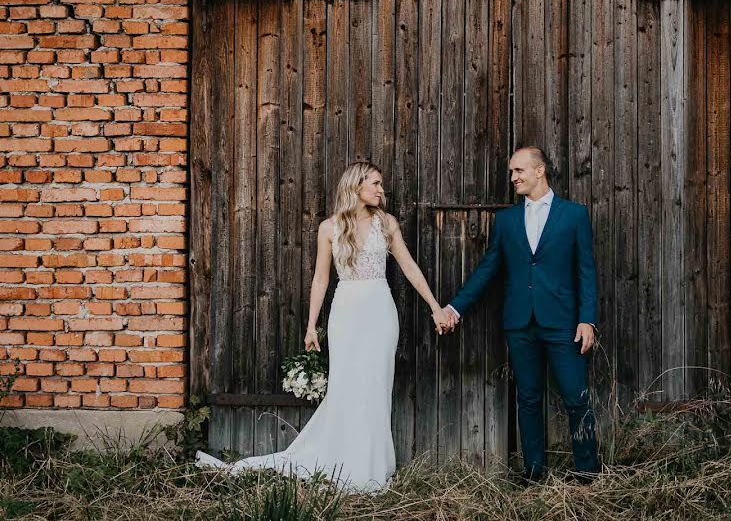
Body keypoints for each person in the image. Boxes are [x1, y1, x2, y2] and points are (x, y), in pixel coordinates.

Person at [195, 161, 450, 493]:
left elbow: (409, 266)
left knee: (376, 388)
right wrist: (311, 326)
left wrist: (435, 306)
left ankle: (371, 468)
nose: (381, 190)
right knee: (346, 389)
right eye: (375, 183)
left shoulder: (386, 224)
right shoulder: (329, 228)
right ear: (356, 186)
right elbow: (320, 278)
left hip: (380, 312)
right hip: (346, 313)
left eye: (381, 184)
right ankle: (342, 461)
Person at [442, 146, 600, 483]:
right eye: (512, 172)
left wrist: (587, 319)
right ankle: (533, 474)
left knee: (575, 396)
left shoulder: (574, 215)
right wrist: (455, 307)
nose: (513, 177)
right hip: (520, 324)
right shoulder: (507, 220)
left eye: (519, 171)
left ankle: (587, 473)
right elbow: (487, 270)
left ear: (539, 170)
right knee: (527, 399)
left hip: (563, 324)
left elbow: (586, 271)